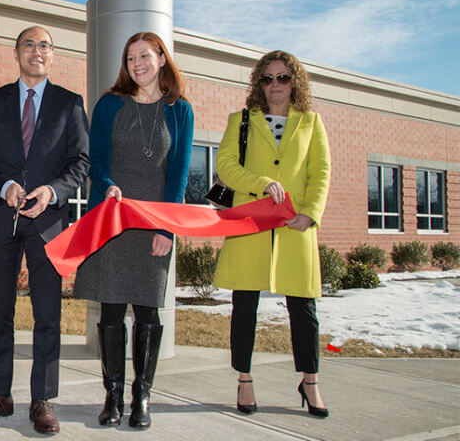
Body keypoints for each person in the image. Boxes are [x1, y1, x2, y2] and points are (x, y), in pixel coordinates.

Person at [0, 26, 90, 435]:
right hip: (2, 220)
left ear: (53, 55)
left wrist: (52, 191)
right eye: (29, 45)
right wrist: (4, 185)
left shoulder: (70, 104)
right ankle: (0, 395)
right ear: (16, 52)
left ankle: (43, 399)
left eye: (44, 46)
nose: (37, 52)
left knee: (47, 315)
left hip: (48, 225)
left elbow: (81, 163)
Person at [75, 32, 194, 429]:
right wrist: (107, 184)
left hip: (154, 223)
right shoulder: (110, 104)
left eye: (145, 56)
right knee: (110, 307)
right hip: (113, 217)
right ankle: (112, 396)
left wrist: (167, 228)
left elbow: (177, 177)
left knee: (147, 309)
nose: (137, 64)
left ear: (162, 58)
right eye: (130, 59)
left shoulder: (181, 111)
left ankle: (141, 395)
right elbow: (95, 160)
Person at [212, 50, 331, 418]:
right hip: (252, 225)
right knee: (245, 306)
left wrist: (310, 214)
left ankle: (310, 382)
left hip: (296, 227)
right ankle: (244, 379)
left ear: (296, 81)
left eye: (282, 77)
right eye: (267, 78)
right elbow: (226, 166)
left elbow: (320, 172)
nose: (275, 85)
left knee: (304, 309)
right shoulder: (241, 120)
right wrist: (262, 183)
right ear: (258, 83)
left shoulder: (311, 122)